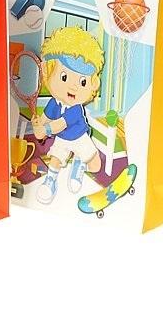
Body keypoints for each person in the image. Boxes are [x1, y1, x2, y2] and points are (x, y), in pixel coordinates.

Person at [33, 26, 104, 205]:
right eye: (64, 77)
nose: (73, 87)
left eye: (82, 82)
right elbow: (45, 118)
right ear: (48, 72)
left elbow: (60, 124)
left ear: (93, 84)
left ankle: (79, 162)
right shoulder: (54, 102)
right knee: (55, 160)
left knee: (95, 166)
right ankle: (50, 181)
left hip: (79, 137)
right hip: (62, 139)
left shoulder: (75, 109)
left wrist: (45, 130)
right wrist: (38, 125)